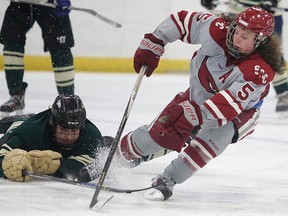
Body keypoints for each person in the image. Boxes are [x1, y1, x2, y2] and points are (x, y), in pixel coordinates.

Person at [103, 7, 282, 201]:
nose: (237, 38)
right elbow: (181, 21)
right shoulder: (216, 29)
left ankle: (169, 179)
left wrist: (196, 116)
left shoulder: (258, 70)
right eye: (237, 31)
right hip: (198, 96)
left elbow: (230, 104)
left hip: (239, 114)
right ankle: (113, 158)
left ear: (260, 42)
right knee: (163, 131)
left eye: (245, 37)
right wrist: (155, 41)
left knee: (213, 138)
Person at [200, 0, 288, 114]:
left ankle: (284, 93)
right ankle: (222, 92)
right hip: (238, 12)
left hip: (266, 16)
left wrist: (272, 1)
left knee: (270, 55)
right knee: (230, 51)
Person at [0, 95, 110, 182]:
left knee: (107, 145)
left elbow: (84, 167)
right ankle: (17, 121)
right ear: (52, 123)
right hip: (28, 124)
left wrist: (57, 166)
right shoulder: (30, 132)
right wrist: (7, 166)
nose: (68, 137)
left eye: (73, 131)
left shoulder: (92, 136)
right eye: (63, 129)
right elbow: (2, 156)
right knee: (12, 130)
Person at [0, 0, 75, 118]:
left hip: (51, 3)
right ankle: (16, 95)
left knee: (61, 47)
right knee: (11, 41)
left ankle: (69, 101)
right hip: (21, 2)